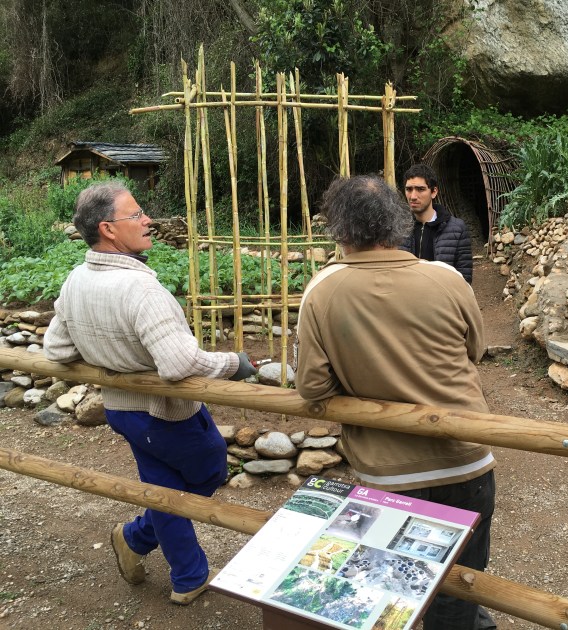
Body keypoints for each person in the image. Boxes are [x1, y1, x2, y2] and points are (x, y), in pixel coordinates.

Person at [296, 175, 496, 630]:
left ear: (338, 228)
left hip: (387, 471)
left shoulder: (322, 291)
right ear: (398, 220)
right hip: (465, 458)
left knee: (392, 584)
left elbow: (312, 386)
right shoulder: (446, 278)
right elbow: (475, 351)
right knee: (459, 582)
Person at [43, 181, 256, 605]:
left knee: (162, 484)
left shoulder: (76, 280)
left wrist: (110, 356)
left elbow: (57, 349)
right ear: (108, 229)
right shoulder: (141, 290)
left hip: (122, 411)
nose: (148, 220)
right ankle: (139, 538)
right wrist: (234, 364)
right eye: (137, 214)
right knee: (209, 468)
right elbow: (179, 363)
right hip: (165, 413)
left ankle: (184, 572)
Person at [399, 163, 473, 283]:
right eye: (409, 189)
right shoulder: (398, 229)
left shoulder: (456, 229)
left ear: (433, 192)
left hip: (443, 294)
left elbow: (464, 279)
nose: (413, 196)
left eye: (420, 189)